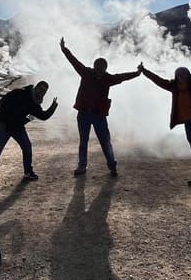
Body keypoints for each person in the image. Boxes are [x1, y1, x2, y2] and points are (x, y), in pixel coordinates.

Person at [138, 55, 191, 194]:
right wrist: (145, 71)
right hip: (188, 123)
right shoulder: (174, 86)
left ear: (188, 74)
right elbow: (158, 81)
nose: (181, 76)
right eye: (179, 74)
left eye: (184, 73)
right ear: (176, 76)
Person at [59, 37, 141, 177]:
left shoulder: (108, 78)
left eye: (102, 67)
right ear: (94, 66)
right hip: (84, 113)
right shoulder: (86, 73)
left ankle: (112, 165)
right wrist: (64, 49)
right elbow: (74, 62)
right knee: (83, 141)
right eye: (97, 66)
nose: (99, 69)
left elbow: (122, 77)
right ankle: (82, 166)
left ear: (105, 68)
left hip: (98, 115)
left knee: (105, 141)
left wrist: (137, 73)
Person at [0, 81, 58, 184]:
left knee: (27, 147)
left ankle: (28, 172)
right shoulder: (19, 93)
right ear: (35, 87)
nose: (41, 92)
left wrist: (53, 106)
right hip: (3, 126)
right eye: (40, 89)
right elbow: (1, 104)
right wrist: (2, 121)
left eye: (44, 91)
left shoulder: (35, 104)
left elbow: (43, 116)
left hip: (17, 128)